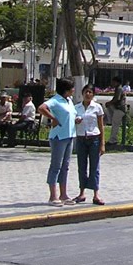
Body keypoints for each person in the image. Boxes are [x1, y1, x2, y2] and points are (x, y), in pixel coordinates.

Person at [38, 78, 76, 207]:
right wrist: (53, 118)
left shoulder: (69, 100)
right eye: (71, 88)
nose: (73, 90)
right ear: (66, 89)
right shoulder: (55, 100)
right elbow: (42, 108)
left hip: (70, 135)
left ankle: (63, 194)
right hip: (58, 137)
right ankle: (52, 195)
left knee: (65, 166)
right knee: (56, 166)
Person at [70, 84, 105, 205]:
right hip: (81, 139)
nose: (88, 94)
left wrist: (102, 143)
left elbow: (101, 126)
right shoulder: (76, 107)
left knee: (94, 167)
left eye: (90, 92)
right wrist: (76, 121)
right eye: (86, 92)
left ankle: (96, 194)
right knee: (82, 166)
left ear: (93, 94)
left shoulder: (97, 107)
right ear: (82, 93)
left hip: (94, 138)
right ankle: (82, 193)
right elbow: (72, 122)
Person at [104, 76, 127, 146]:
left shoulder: (119, 89)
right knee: (108, 111)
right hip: (117, 108)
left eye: (113, 82)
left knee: (115, 125)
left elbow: (116, 99)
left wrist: (109, 103)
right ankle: (108, 120)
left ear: (116, 82)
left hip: (120, 109)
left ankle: (113, 140)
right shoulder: (118, 88)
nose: (112, 83)